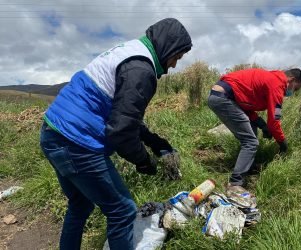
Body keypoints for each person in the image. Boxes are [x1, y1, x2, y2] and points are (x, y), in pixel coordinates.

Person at [39, 18, 192, 250]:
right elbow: (121, 131)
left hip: (53, 133)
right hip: (77, 142)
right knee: (122, 211)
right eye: (176, 57)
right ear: (168, 47)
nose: (173, 66)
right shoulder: (141, 70)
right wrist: (144, 162)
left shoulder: (129, 52)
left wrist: (153, 141)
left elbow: (121, 115)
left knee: (80, 205)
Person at [207, 68, 301, 192]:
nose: (292, 92)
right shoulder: (277, 84)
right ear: (291, 80)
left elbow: (245, 103)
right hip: (224, 98)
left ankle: (248, 167)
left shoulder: (271, 78)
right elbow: (274, 120)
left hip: (222, 96)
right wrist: (282, 142)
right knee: (250, 142)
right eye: (295, 88)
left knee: (252, 128)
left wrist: (261, 124)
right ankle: (235, 184)